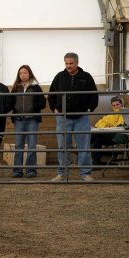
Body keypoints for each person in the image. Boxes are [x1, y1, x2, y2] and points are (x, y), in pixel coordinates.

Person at [48, 52, 99, 182]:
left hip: (81, 116)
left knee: (84, 145)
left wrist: (89, 109)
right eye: (66, 63)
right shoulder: (59, 77)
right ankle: (62, 173)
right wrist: (54, 108)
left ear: (77, 63)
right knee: (63, 146)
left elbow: (94, 95)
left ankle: (85, 173)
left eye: (71, 63)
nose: (69, 66)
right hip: (63, 116)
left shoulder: (86, 77)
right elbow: (51, 94)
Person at [11, 65, 46, 178]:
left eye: (25, 73)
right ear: (19, 75)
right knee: (18, 146)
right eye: (21, 73)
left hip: (32, 120)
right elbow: (11, 101)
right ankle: (17, 170)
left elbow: (43, 103)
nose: (23, 75)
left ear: (29, 74)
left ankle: (31, 170)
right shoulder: (16, 88)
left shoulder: (36, 87)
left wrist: (32, 106)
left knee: (31, 146)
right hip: (19, 120)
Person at [91, 96, 125, 165]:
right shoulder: (110, 115)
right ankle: (96, 161)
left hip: (119, 135)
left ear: (122, 104)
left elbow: (121, 124)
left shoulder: (125, 114)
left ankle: (83, 145)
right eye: (114, 105)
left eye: (117, 104)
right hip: (109, 135)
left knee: (97, 134)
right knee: (98, 138)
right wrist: (108, 125)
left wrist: (109, 124)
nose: (116, 107)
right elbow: (98, 124)